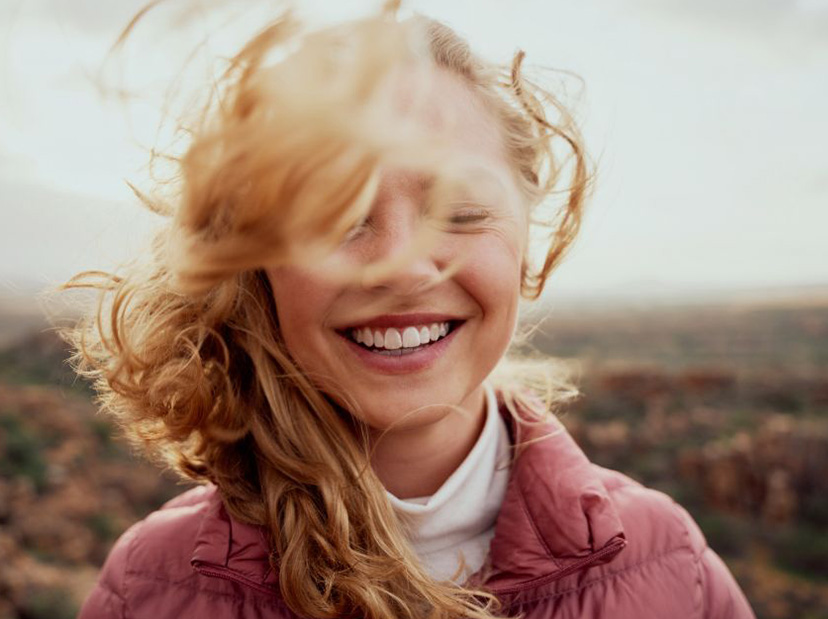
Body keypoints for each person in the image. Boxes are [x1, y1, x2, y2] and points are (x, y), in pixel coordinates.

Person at [64, 2, 755, 617]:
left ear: (525, 245)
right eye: (336, 216)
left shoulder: (670, 572)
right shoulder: (151, 587)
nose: (400, 264)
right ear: (257, 263)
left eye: (461, 210)